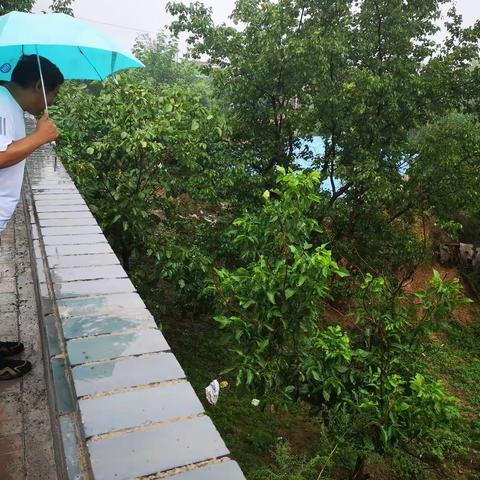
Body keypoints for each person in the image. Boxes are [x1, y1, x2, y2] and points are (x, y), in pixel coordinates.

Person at [0, 54, 63, 380]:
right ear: (39, 85)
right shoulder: (0, 104)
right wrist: (39, 138)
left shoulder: (8, 105)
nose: (51, 102)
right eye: (53, 94)